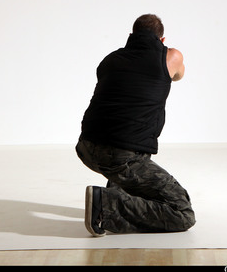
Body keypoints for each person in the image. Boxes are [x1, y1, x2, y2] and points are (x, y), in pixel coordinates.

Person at [75, 14, 196, 236]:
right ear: (162, 40)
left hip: (86, 148)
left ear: (131, 36)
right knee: (182, 212)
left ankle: (116, 191)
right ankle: (105, 206)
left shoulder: (110, 60)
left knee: (133, 139)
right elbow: (178, 75)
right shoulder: (171, 56)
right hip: (121, 156)